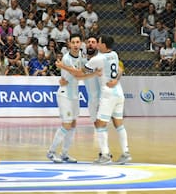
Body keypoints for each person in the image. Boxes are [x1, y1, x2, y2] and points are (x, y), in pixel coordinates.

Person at [56, 35, 131, 165]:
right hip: (102, 97)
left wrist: (116, 79)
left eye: (94, 42)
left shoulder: (97, 59)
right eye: (89, 42)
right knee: (114, 124)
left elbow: (120, 68)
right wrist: (65, 79)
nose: (91, 44)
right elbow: (77, 73)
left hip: (105, 96)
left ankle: (105, 154)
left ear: (99, 45)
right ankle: (121, 153)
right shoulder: (88, 58)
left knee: (101, 125)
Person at [46, 34, 86, 163]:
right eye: (73, 42)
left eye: (77, 42)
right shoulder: (67, 58)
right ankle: (51, 152)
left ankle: (64, 153)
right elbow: (78, 74)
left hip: (74, 94)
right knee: (67, 124)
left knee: (73, 124)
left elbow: (86, 70)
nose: (75, 45)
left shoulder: (81, 56)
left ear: (81, 44)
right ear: (69, 44)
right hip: (65, 94)